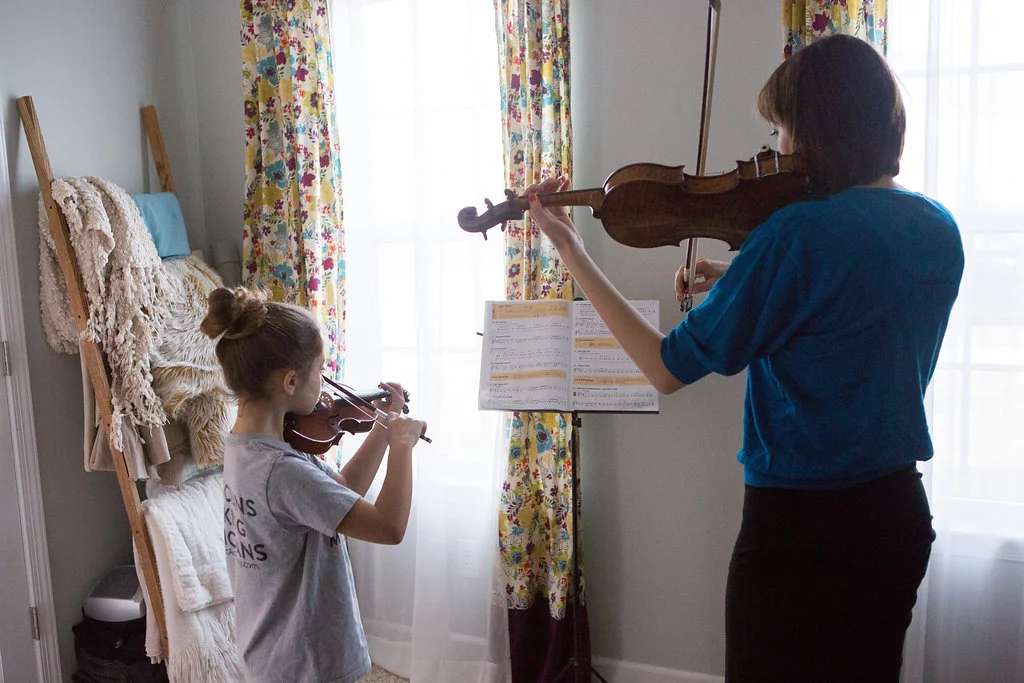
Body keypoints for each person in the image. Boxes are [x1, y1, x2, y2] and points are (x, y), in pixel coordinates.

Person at [524, 34, 964, 682]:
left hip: (800, 533)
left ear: (818, 128)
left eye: (782, 127)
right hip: (894, 517)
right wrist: (734, 274)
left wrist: (573, 253)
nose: (777, 148)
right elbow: (847, 303)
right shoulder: (936, 225)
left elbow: (665, 366)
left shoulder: (796, 235)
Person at [200, 285, 427, 683]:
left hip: (272, 653)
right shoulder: (284, 471)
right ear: (290, 381)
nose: (325, 386)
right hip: (309, 662)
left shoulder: (247, 449)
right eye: (321, 371)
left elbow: (340, 492)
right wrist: (401, 446)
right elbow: (389, 527)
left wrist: (381, 428)